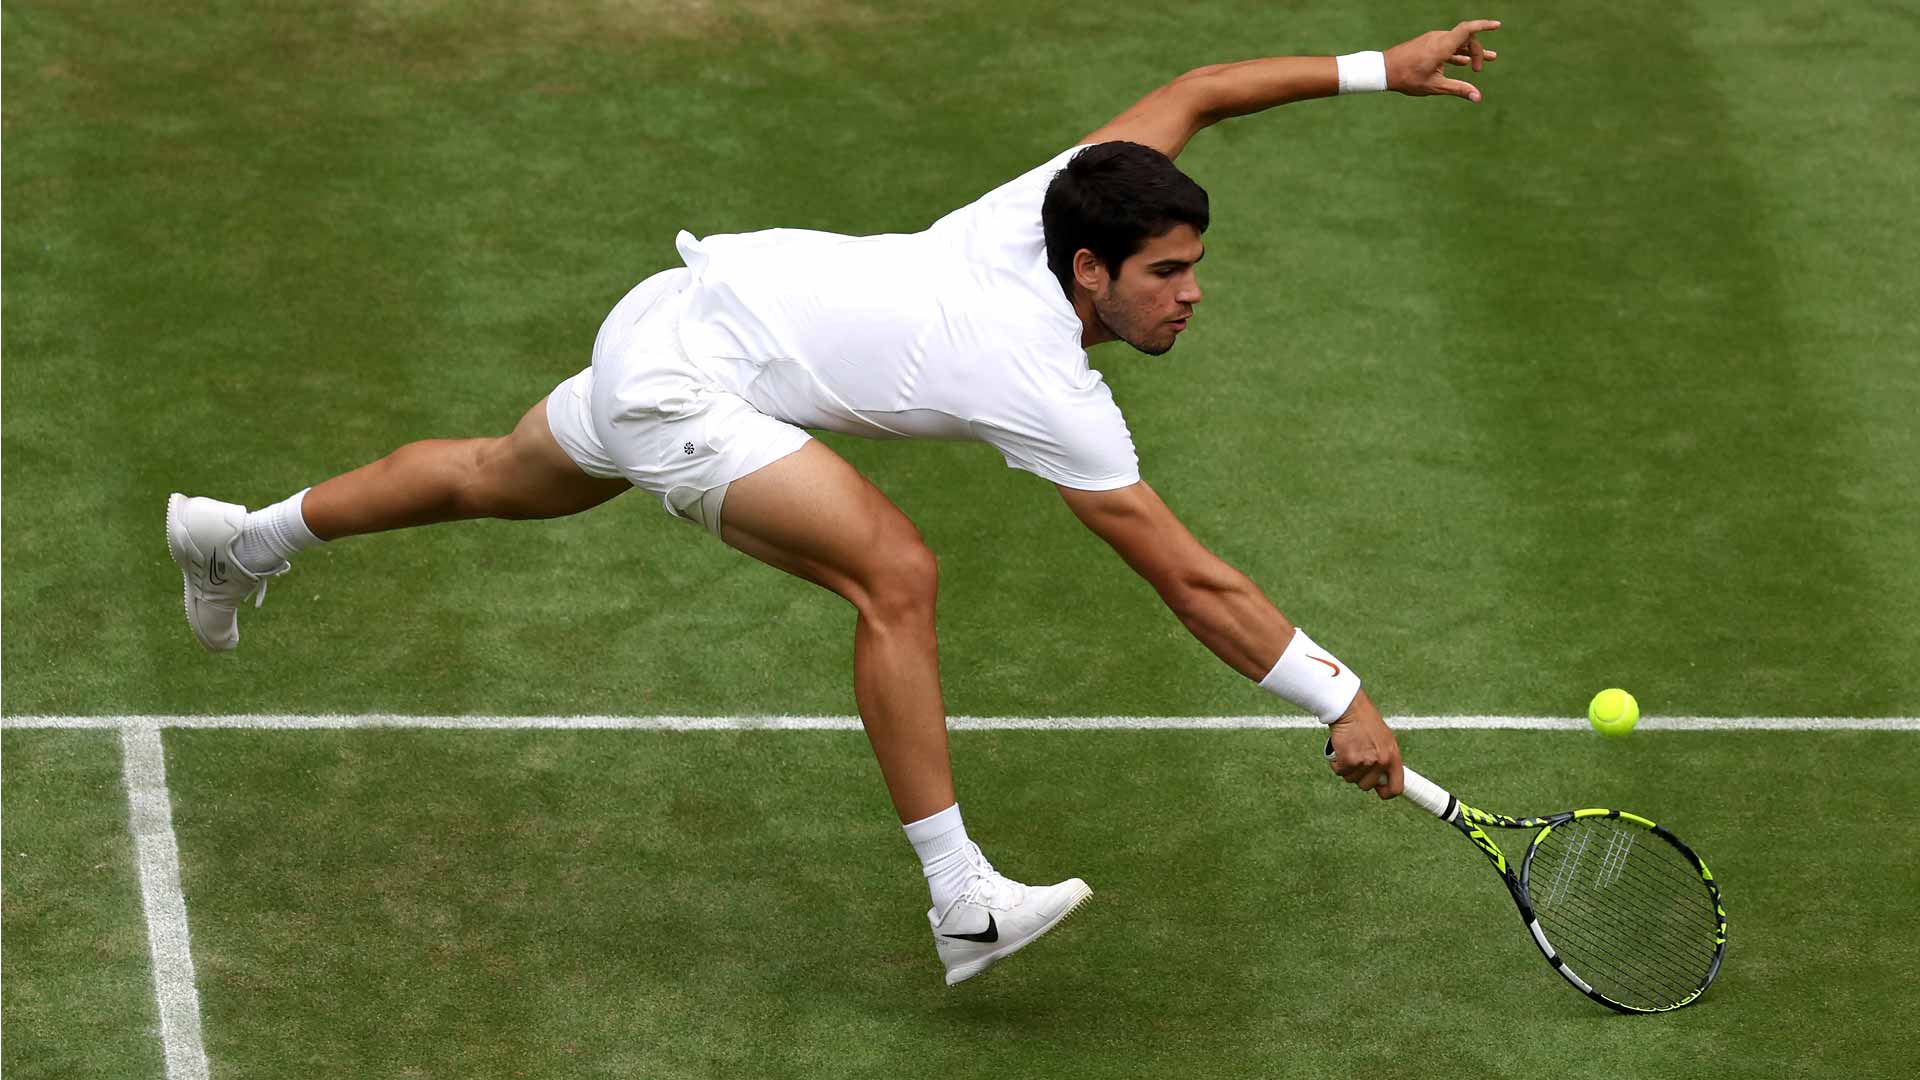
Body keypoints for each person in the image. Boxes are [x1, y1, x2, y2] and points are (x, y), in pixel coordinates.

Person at [167, 20, 1501, 985]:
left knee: (499, 479)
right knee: (895, 574)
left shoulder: (1067, 194)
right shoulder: (1040, 379)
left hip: (678, 313)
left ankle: (238, 541)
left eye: (1194, 266)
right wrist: (1342, 696)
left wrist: (1387, 66)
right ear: (1089, 270)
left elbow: (1202, 89)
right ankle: (962, 901)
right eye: (1163, 273)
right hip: (688, 381)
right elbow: (1191, 579)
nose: (1189, 291)